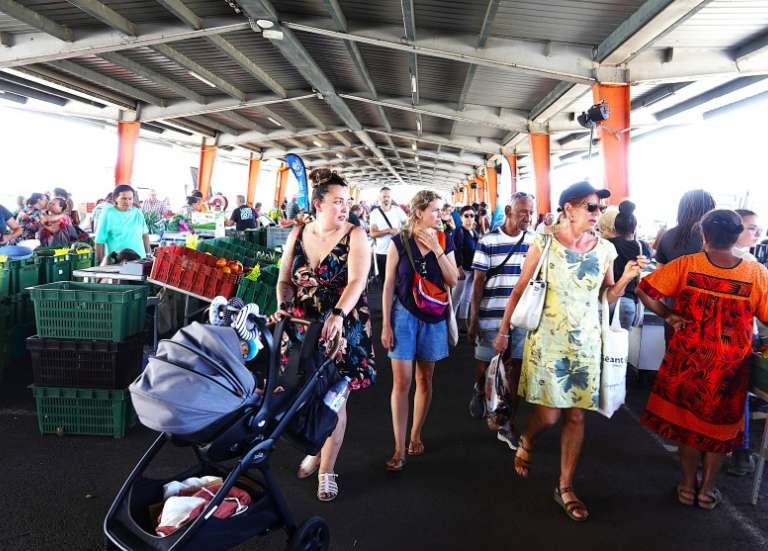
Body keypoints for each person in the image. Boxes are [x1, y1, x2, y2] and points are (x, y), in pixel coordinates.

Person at [493, 181, 647, 522]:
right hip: (547, 342)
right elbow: (520, 289)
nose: (598, 214)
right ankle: (528, 438)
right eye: (591, 207)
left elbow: (606, 297)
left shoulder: (606, 250)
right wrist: (503, 332)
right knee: (548, 415)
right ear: (568, 209)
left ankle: (564, 487)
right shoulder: (544, 241)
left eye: (600, 209)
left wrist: (624, 280)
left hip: (587, 344)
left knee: (576, 415)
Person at [636, 209, 768, 510]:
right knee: (718, 428)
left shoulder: (687, 265)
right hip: (730, 367)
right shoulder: (756, 274)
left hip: (688, 360)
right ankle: (707, 491)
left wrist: (669, 315)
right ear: (737, 236)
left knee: (687, 424)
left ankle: (686, 486)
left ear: (703, 235)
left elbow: (644, 290)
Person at [273, 168, 374, 502]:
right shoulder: (298, 233)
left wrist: (338, 315)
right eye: (337, 202)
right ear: (318, 203)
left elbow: (358, 280)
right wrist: (283, 305)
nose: (344, 208)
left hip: (342, 326)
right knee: (305, 392)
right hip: (303, 326)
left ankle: (327, 469)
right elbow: (284, 279)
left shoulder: (355, 234)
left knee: (334, 400)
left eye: (347, 202)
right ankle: (316, 448)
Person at [381, 190, 459, 471]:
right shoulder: (399, 243)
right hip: (403, 315)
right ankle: (399, 448)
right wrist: (386, 324)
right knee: (401, 383)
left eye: (440, 210)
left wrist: (438, 250)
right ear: (418, 212)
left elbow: (453, 279)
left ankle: (415, 434)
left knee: (425, 379)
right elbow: (389, 284)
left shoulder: (444, 239)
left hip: (434, 315)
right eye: (435, 210)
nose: (440, 215)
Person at [468, 192, 536, 449]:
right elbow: (478, 282)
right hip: (490, 315)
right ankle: (479, 387)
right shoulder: (488, 241)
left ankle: (505, 422)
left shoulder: (534, 242)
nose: (527, 217)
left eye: (530, 212)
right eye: (522, 212)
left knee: (516, 374)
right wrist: (473, 319)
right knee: (485, 365)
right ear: (508, 211)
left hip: (520, 319)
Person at [606, 201, 653, 329]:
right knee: (621, 345)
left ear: (615, 227)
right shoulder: (643, 247)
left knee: (604, 343)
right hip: (628, 300)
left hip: (606, 300)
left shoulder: (606, 245)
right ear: (635, 226)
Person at [655, 189, 715, 266]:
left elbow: (659, 271)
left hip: (673, 277)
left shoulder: (668, 236)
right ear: (709, 209)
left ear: (681, 210)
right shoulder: (716, 237)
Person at [95, 184, 150, 264]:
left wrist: (148, 255)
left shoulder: (137, 212)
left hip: (140, 261)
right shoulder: (108, 213)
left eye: (130, 199)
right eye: (124, 198)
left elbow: (145, 235)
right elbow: (99, 241)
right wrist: (101, 265)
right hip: (118, 262)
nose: (127, 202)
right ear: (115, 199)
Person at [369, 187, 408, 286]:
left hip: (398, 250)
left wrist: (399, 230)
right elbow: (373, 233)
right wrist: (388, 231)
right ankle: (386, 300)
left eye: (388, 196)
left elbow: (408, 226)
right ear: (379, 198)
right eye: (384, 196)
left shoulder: (398, 210)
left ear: (391, 198)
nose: (386, 198)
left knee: (399, 279)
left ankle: (397, 299)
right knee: (384, 281)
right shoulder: (374, 213)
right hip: (381, 252)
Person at [453, 206, 479, 323]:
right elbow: (456, 250)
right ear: (461, 217)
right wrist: (459, 267)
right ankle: (451, 322)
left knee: (467, 297)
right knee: (456, 297)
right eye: (466, 216)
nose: (469, 218)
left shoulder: (473, 232)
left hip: (472, 269)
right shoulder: (459, 232)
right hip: (462, 270)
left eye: (472, 216)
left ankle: (463, 320)